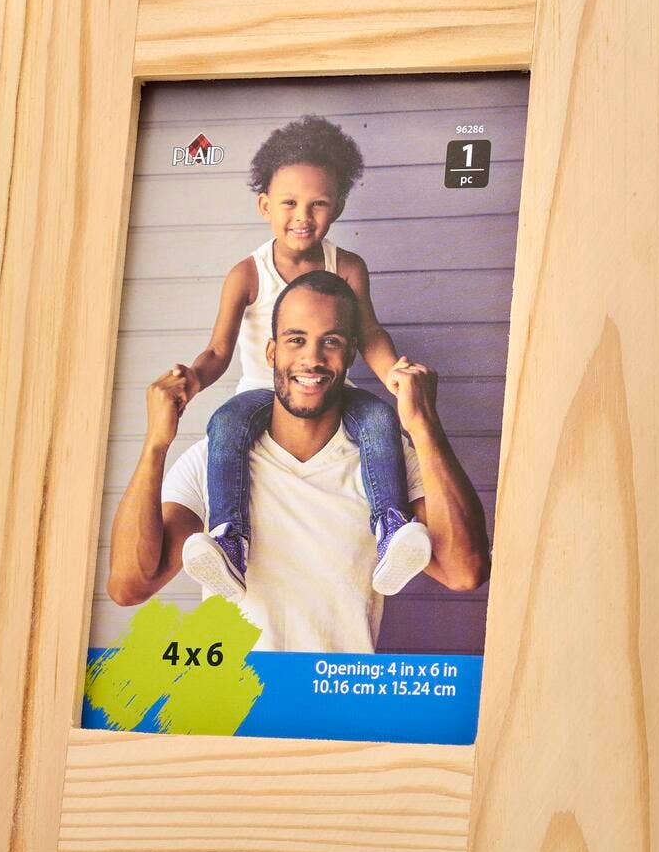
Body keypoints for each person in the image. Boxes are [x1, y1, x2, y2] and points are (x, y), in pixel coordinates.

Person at [108, 271, 490, 654]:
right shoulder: (215, 458)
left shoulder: (386, 461)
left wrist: (424, 425)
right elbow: (129, 586)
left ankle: (387, 526)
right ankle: (231, 541)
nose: (312, 359)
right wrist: (156, 444)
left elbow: (464, 572)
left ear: (351, 354)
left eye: (331, 341)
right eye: (296, 340)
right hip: (232, 691)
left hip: (335, 689)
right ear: (271, 352)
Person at [163, 114, 432, 603]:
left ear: (338, 206)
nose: (302, 215)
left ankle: (391, 528)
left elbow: (369, 332)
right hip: (263, 393)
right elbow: (219, 349)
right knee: (225, 424)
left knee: (379, 419)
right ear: (265, 205)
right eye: (289, 202)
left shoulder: (346, 266)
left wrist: (393, 372)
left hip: (331, 390)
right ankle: (229, 538)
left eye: (318, 203)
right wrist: (193, 380)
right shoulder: (247, 273)